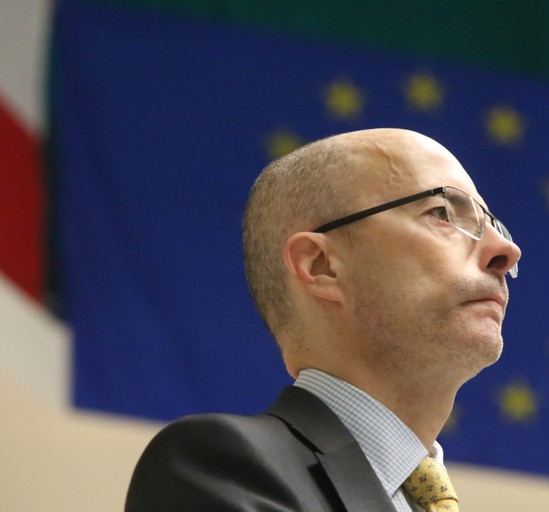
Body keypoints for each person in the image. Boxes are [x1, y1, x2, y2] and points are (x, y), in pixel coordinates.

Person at [125, 128, 522, 511]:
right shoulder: (222, 468)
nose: (506, 249)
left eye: (492, 225)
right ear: (321, 265)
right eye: (442, 212)